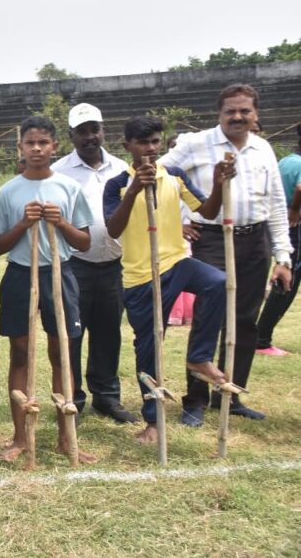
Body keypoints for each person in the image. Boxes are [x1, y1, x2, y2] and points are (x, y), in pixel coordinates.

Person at [160, 84, 292, 424]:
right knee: (208, 316)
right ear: (218, 114)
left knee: (245, 320)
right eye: (230, 111)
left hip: (255, 240)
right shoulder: (196, 144)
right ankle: (196, 399)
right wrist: (179, 220)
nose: (237, 116)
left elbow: (277, 203)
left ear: (255, 114)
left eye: (244, 111)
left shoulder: (262, 149)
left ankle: (229, 395)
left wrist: (283, 256)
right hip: (213, 239)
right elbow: (159, 178)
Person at [104, 116, 236, 444]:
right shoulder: (117, 183)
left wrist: (218, 184)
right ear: (127, 146)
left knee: (217, 281)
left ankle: (199, 357)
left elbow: (207, 211)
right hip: (141, 277)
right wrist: (134, 190)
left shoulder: (174, 175)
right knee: (149, 347)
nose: (150, 149)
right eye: (142, 143)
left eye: (155, 142)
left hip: (177, 262)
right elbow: (113, 228)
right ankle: (152, 419)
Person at [0, 116, 96, 464]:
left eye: (43, 143)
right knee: (20, 352)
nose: (36, 149)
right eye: (30, 143)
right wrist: (23, 224)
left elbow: (84, 242)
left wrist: (61, 222)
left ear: (54, 147)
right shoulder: (8, 191)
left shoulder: (68, 188)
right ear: (20, 147)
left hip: (59, 273)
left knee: (61, 351)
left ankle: (67, 438)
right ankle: (21, 437)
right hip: (20, 274)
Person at [51, 103, 137, 424]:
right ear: (71, 135)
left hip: (113, 263)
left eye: (94, 130)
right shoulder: (59, 172)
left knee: (108, 332)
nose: (90, 137)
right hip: (75, 265)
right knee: (72, 334)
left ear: (103, 130)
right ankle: (71, 398)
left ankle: (107, 397)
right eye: (82, 131)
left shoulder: (121, 168)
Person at [254, 122, 301, 355]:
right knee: (287, 282)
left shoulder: (286, 161)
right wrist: (295, 210)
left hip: (279, 224)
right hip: (294, 226)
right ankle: (262, 339)